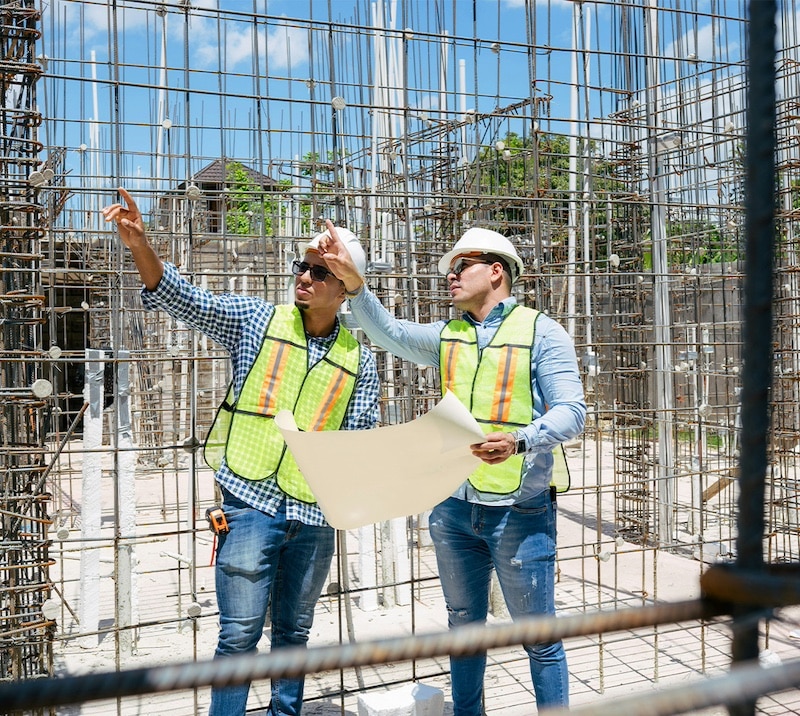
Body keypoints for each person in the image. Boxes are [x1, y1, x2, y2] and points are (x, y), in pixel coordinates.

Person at [102, 189, 380, 716]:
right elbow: (183, 298)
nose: (303, 276)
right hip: (250, 502)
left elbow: (361, 438)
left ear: (345, 289)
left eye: (319, 273)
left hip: (314, 513)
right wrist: (141, 244)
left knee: (294, 636)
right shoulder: (256, 322)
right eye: (302, 267)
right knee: (239, 638)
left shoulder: (358, 359)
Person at [317, 220, 586, 715]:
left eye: (461, 267)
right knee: (463, 628)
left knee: (540, 635)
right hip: (455, 508)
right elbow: (390, 333)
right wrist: (354, 284)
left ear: (497, 272)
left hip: (519, 510)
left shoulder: (541, 332)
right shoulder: (448, 335)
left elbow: (572, 410)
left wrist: (521, 440)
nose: (451, 276)